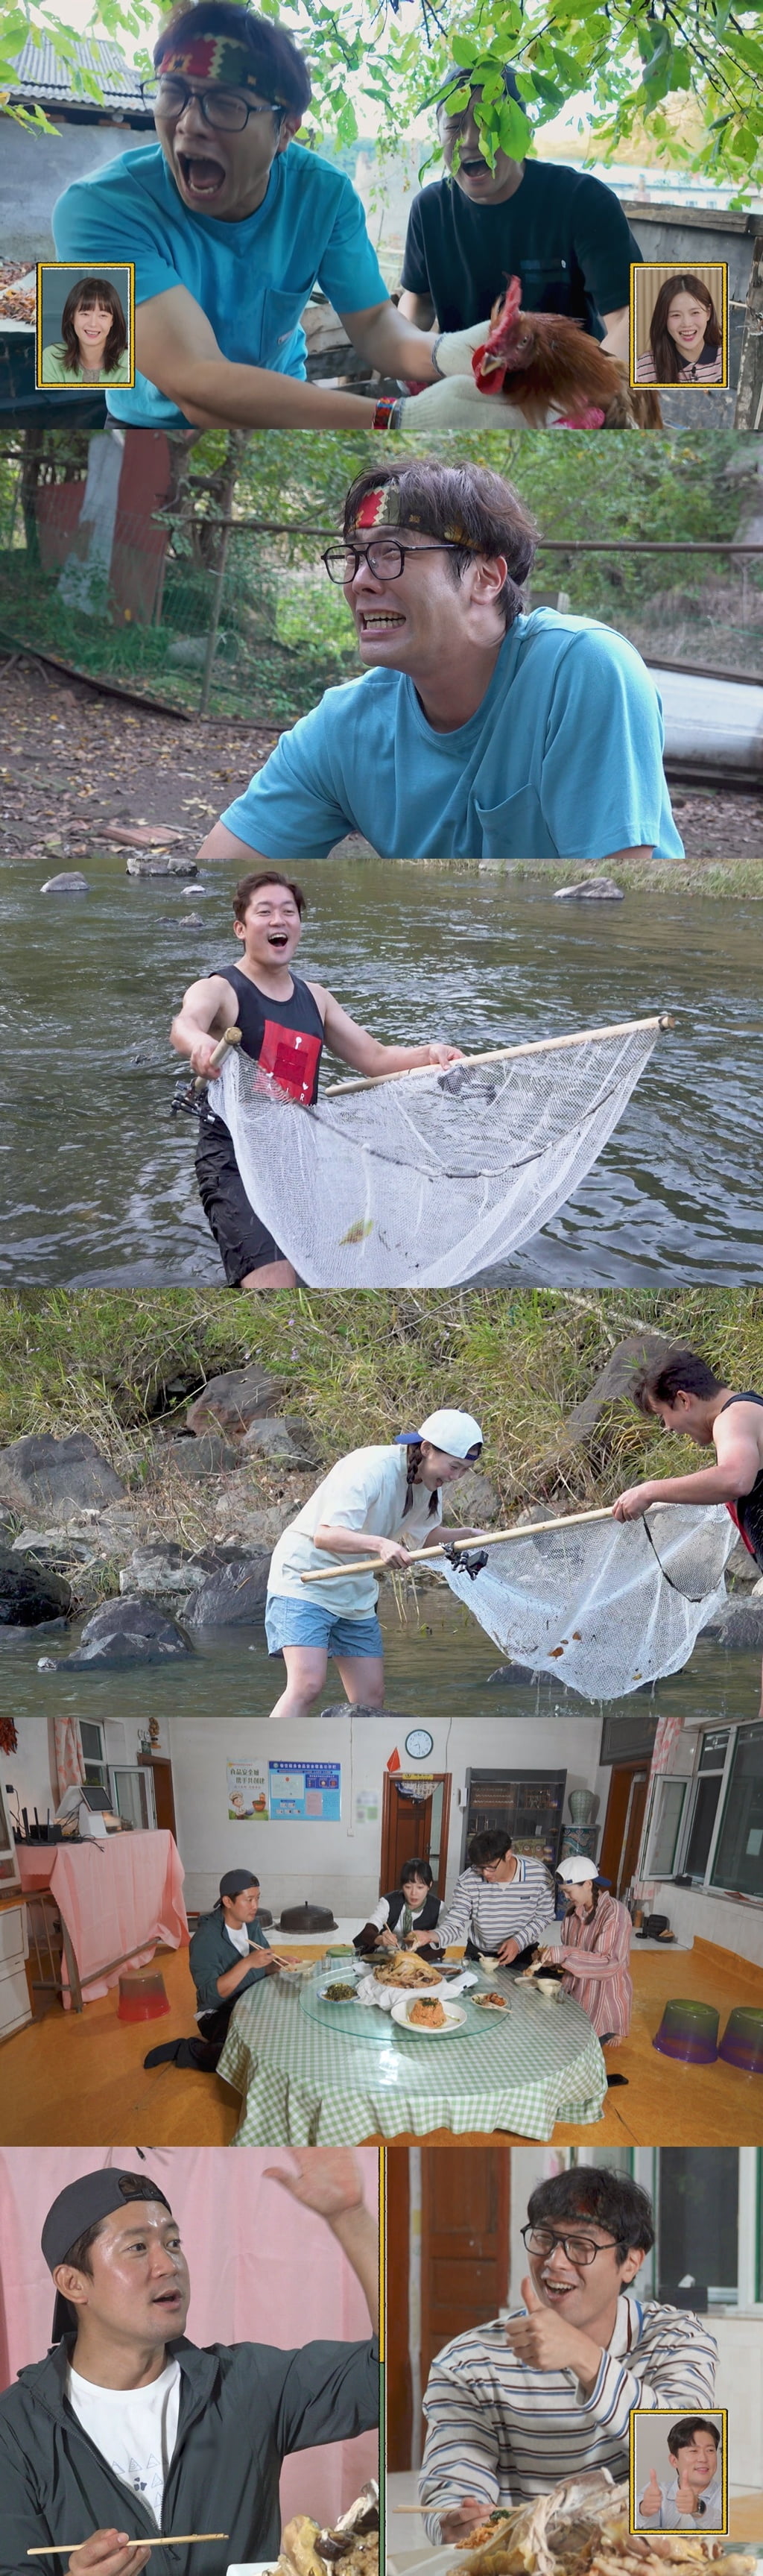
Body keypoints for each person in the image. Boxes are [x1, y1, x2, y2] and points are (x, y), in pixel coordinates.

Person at [194, 459, 685, 867]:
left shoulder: (583, 671)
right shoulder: (346, 727)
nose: (360, 581)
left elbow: (614, 912)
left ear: (486, 579)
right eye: (352, 557)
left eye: (391, 553)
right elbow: (216, 882)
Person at [49, 0, 458, 432]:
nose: (189, 124)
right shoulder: (93, 210)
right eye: (174, 93)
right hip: (148, 427)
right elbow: (198, 384)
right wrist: (401, 419)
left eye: (225, 104)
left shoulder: (324, 197)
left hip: (284, 412)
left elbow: (375, 324)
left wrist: (457, 353)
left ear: (285, 129)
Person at [0, 2156, 379, 2576]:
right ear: (74, 2283)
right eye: (138, 2247)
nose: (169, 2265)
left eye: (174, 2243)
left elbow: (382, 2374)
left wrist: (350, 2218)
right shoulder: (15, 2429)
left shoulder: (246, 2384)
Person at [171, 865, 463, 1289]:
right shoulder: (221, 989)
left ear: (299, 926)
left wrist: (429, 1053)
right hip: (231, 1158)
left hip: (295, 1158)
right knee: (273, 1277)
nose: (278, 921)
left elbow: (377, 1059)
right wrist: (198, 1044)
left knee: (318, 1273)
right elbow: (185, 1024)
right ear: (240, 928)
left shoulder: (318, 999)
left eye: (289, 912)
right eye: (265, 912)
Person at [417, 2166, 718, 2539]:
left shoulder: (675, 2338)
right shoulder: (467, 2361)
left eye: (581, 2245)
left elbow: (690, 2458)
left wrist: (584, 2357)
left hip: (637, 2560)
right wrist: (461, 2523)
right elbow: (452, 2491)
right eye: (545, 2238)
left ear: (631, 2262)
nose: (555, 2262)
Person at [399, 65, 641, 366]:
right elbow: (418, 298)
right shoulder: (429, 209)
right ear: (438, 134)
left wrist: (597, 389)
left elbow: (629, 316)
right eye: (454, 126)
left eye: (492, 123)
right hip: (465, 385)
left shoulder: (584, 200)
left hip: (563, 389)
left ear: (524, 131)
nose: (472, 140)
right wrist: (404, 356)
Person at [265, 1409, 484, 1721]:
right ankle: (269, 1757)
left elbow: (426, 1538)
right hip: (305, 1580)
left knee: (370, 1698)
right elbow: (325, 1536)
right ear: (426, 1449)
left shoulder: (428, 1484)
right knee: (307, 1686)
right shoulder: (371, 1468)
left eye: (463, 1471)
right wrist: (381, 1544)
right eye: (453, 1467)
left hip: (355, 1591)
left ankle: (362, 1765)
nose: (455, 1477)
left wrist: (468, 1536)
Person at [612, 1346, 763, 1715]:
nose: (667, 1427)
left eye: (663, 1415)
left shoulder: (737, 1416)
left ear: (683, 1400)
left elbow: (735, 1479)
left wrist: (649, 1490)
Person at [143, 1866, 288, 2071]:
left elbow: (261, 1969)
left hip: (251, 2001)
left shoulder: (252, 1926)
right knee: (238, 2057)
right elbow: (210, 1996)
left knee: (285, 2031)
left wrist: (280, 1965)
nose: (255, 1906)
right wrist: (247, 1963)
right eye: (249, 1900)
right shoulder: (206, 1939)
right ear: (228, 1902)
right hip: (218, 2013)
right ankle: (186, 2050)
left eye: (257, 1898)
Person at [409, 1827, 551, 1969]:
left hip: (523, 1951)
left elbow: (544, 1916)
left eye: (490, 1867)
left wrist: (519, 1941)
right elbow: (455, 1923)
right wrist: (430, 1936)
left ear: (508, 1855)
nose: (485, 1874)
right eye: (479, 1867)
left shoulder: (539, 1875)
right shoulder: (468, 1880)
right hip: (480, 1952)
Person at [528, 1854, 633, 2045]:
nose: (566, 1897)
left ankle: (611, 2031)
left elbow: (609, 1964)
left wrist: (562, 1953)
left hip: (601, 2005)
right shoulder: (572, 1914)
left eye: (569, 1891)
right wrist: (552, 1960)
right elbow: (574, 1959)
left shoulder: (615, 1913)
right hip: (576, 1999)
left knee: (570, 2050)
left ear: (588, 1884)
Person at [40, 277, 131, 386]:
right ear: (72, 317)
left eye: (103, 316)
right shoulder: (50, 358)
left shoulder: (130, 363)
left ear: (112, 321)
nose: (93, 324)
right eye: (85, 314)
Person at [635, 275, 724, 385]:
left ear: (708, 313)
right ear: (664, 319)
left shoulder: (728, 360)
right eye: (676, 315)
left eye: (695, 313)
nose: (687, 324)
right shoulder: (643, 368)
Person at [638, 2416, 723, 2528]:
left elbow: (731, 2527)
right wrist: (643, 2510)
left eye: (710, 2450)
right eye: (693, 2451)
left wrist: (698, 2507)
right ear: (674, 2461)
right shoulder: (657, 2492)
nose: (703, 2459)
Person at [354, 1858, 442, 1959]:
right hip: (385, 1958)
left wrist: (410, 1960)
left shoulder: (439, 1907)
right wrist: (380, 1939)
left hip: (421, 1961)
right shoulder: (389, 1902)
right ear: (402, 1885)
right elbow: (368, 1932)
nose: (414, 1893)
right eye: (408, 1887)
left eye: (420, 1887)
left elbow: (442, 1947)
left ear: (430, 1885)